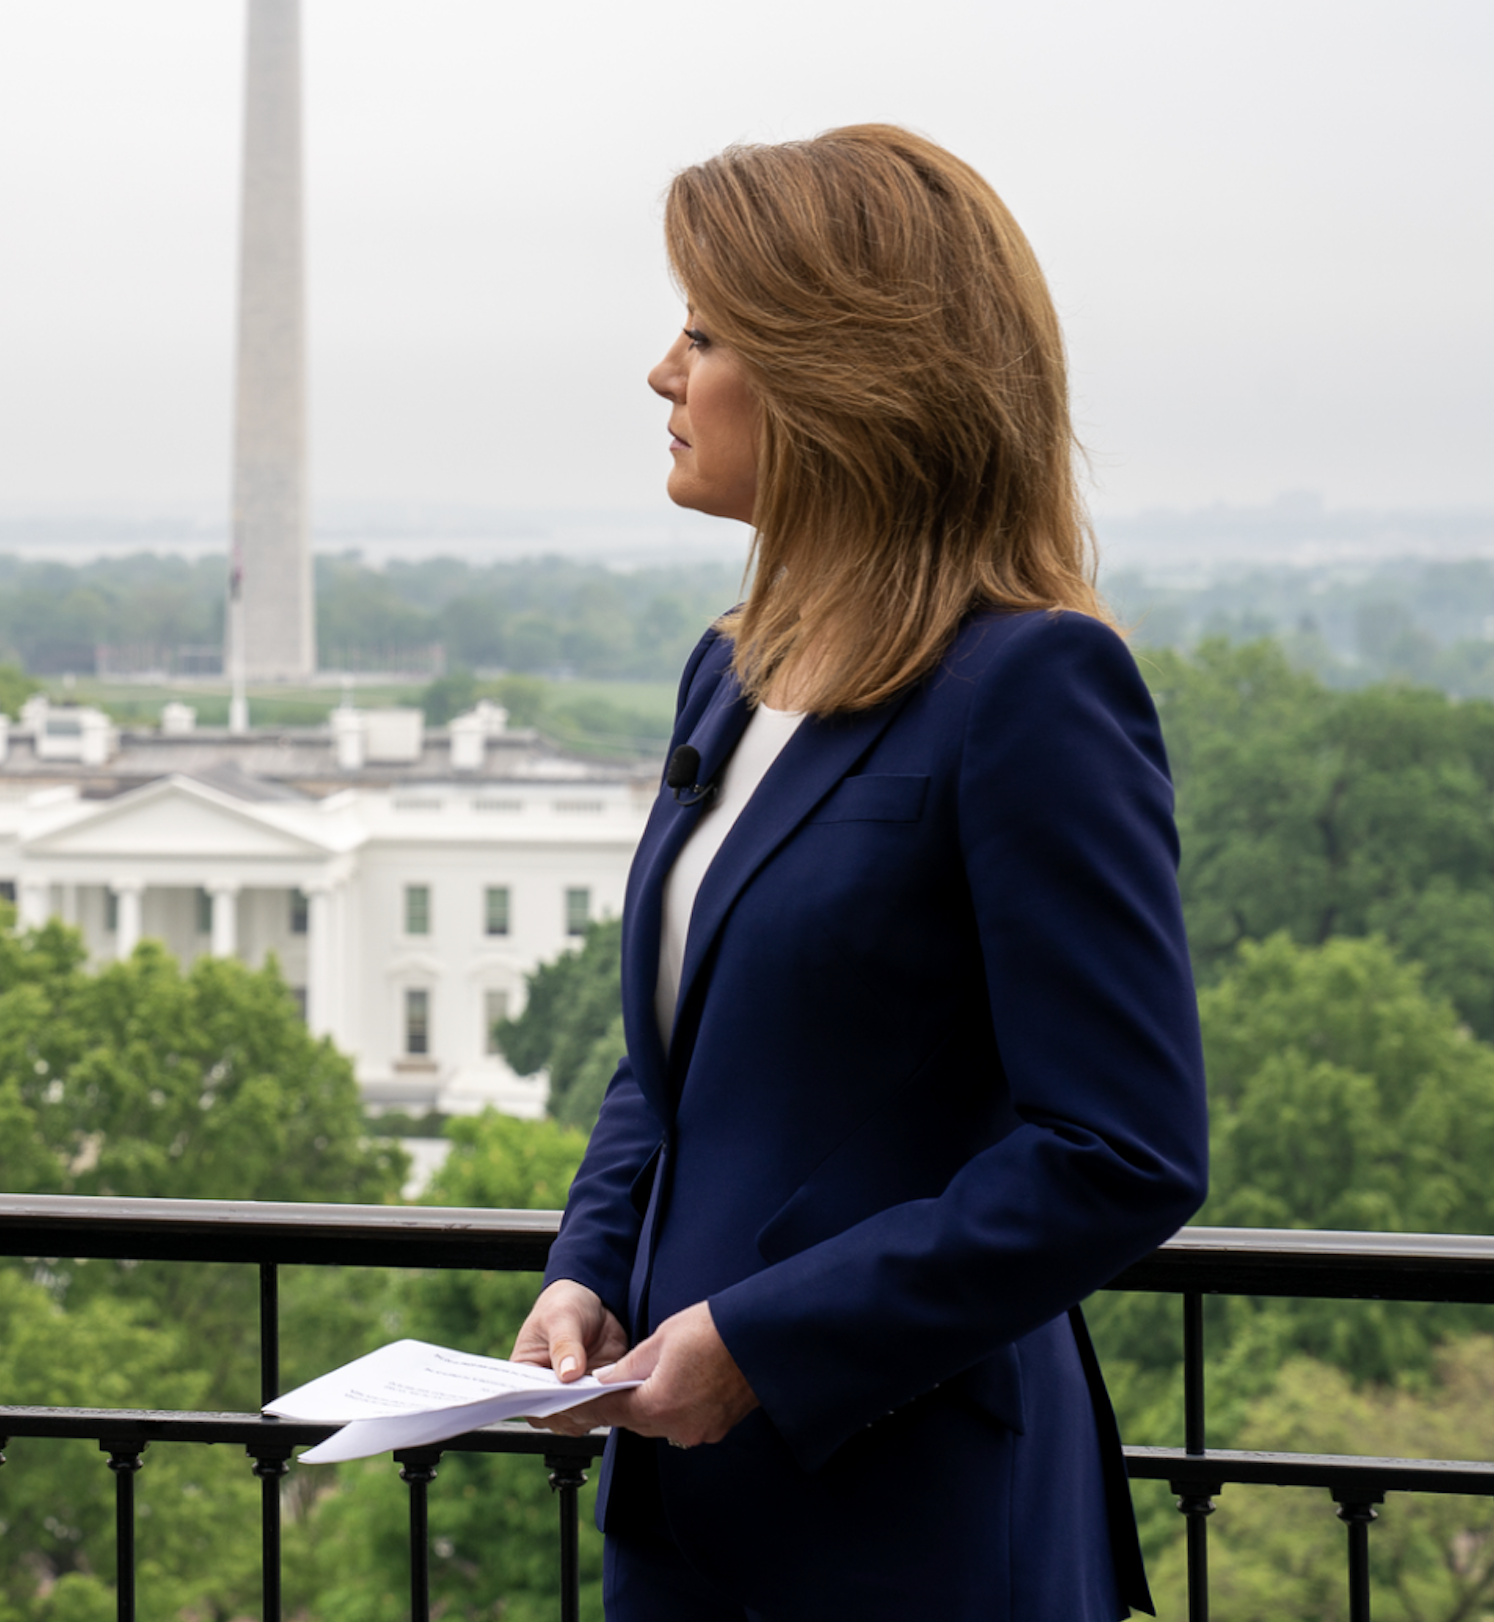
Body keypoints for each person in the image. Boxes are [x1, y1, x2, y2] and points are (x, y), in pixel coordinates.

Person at [514, 127, 1208, 1619]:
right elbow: (677, 1056)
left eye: (702, 333)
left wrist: (769, 1341)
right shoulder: (727, 674)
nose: (660, 374)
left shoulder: (1030, 685)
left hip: (911, 1524)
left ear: (840, 371)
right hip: (682, 1506)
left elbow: (1120, 1149)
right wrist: (587, 1268)